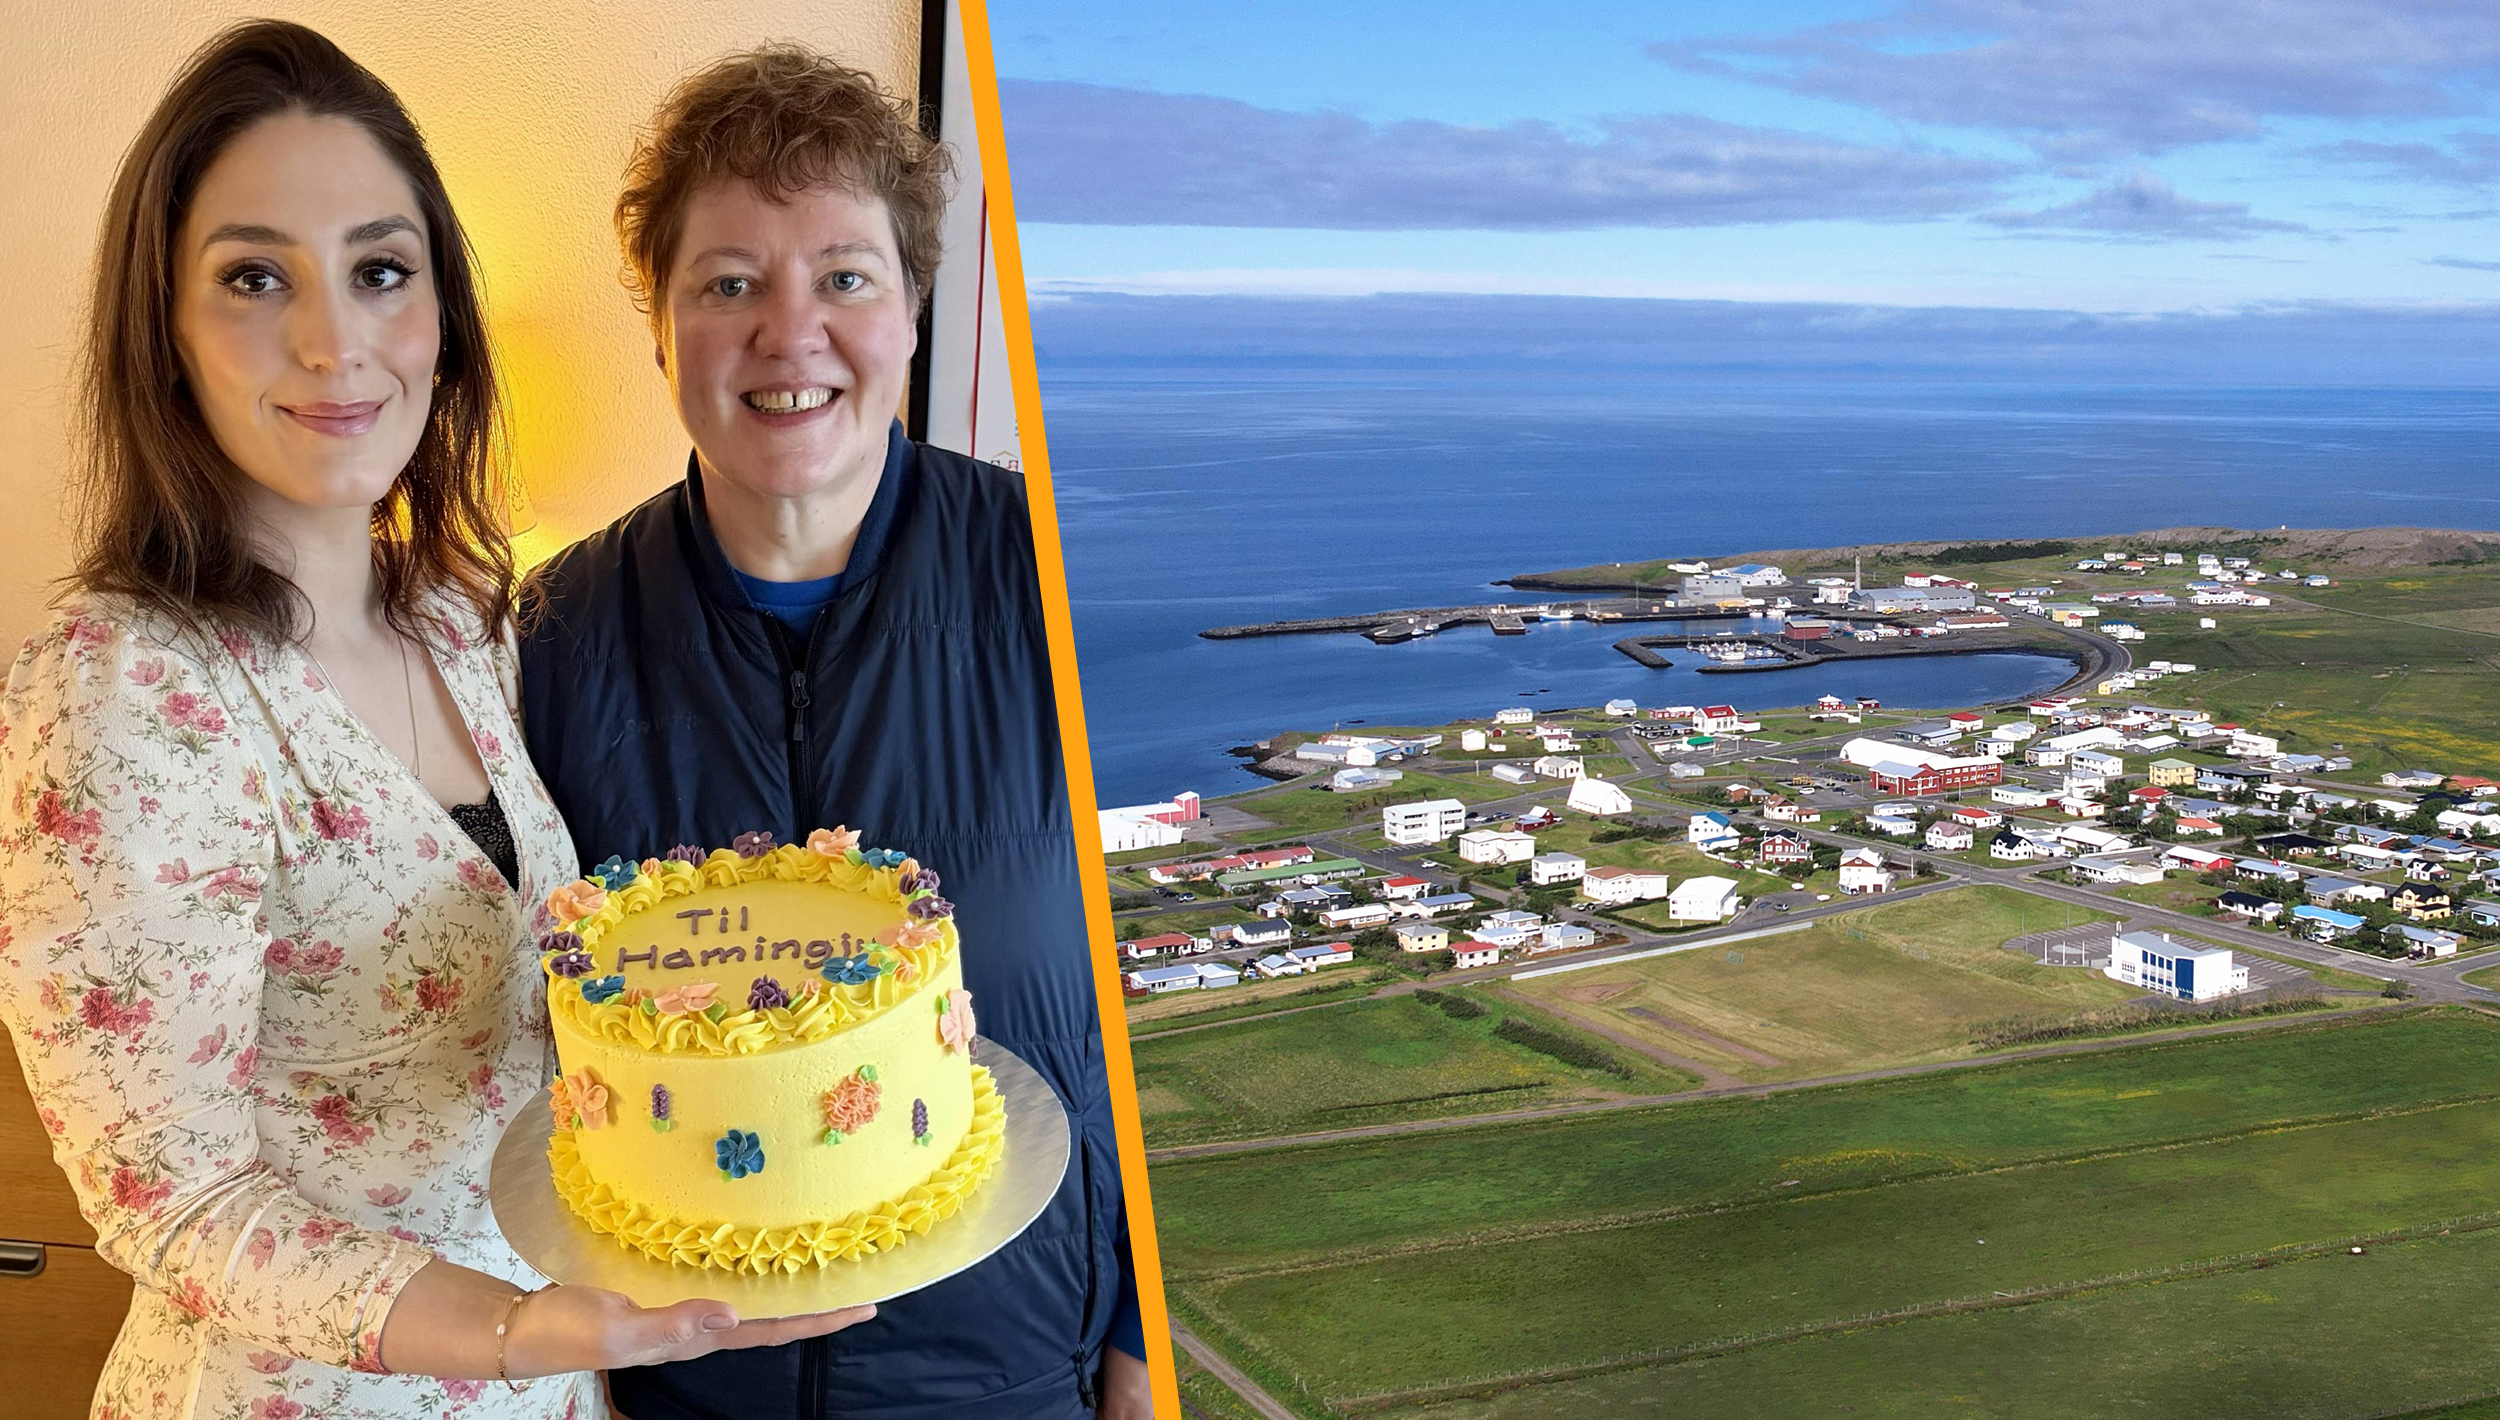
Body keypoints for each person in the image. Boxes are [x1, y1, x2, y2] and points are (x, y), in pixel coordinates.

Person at [0, 23, 865, 1417]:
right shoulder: (123, 692)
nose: (334, 341)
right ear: (162, 331)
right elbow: (173, 1199)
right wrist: (511, 1329)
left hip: (548, 1378)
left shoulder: (463, 617)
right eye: (254, 278)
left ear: (443, 316)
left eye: (380, 271)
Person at [516, 45, 1150, 1420]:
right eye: (728, 283)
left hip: (1017, 1379)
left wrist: (1147, 1352)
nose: (787, 334)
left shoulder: (1058, 582)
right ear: (661, 326)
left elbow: (1160, 1005)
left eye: (844, 278)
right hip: (686, 1391)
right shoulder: (555, 634)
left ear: (912, 307)